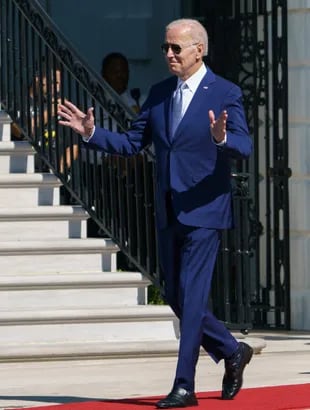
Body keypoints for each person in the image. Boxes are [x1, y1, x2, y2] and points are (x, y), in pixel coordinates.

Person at [58, 18, 253, 409]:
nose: (168, 54)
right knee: (178, 298)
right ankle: (232, 350)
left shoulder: (225, 92)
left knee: (193, 300)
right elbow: (133, 143)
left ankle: (184, 385)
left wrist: (222, 139)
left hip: (204, 211)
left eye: (176, 48)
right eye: (166, 47)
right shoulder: (160, 93)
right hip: (167, 209)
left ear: (199, 49)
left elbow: (244, 147)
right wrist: (91, 134)